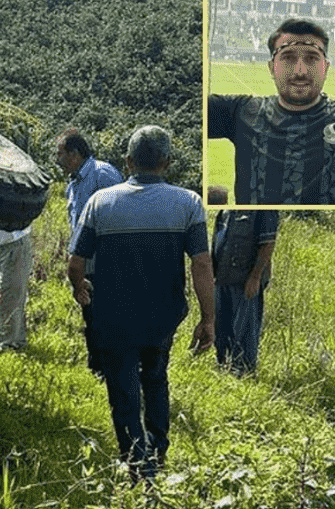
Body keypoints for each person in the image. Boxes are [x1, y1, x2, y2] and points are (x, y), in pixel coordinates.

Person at [67, 125, 215, 483]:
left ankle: (137, 465)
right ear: (166, 162)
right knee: (155, 377)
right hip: (163, 316)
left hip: (113, 315)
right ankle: (158, 452)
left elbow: (75, 262)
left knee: (122, 387)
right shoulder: (188, 203)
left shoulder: (101, 202)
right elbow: (201, 264)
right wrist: (209, 318)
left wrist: (79, 287)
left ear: (129, 161)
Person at [209, 18, 335, 204]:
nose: (300, 71)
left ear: (325, 67)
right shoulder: (242, 112)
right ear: (271, 67)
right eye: (288, 58)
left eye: (311, 58)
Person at [56, 129, 123, 374]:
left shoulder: (103, 175)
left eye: (60, 154)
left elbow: (120, 217)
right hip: (85, 264)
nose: (57, 159)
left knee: (107, 317)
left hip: (107, 263)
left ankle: (113, 368)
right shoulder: (73, 184)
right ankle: (97, 368)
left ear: (75, 154)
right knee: (91, 316)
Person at [212, 210, 278, 377]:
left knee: (244, 328)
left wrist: (255, 277)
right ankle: (224, 367)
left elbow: (268, 243)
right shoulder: (225, 209)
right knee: (221, 327)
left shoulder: (264, 208)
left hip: (245, 280)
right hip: (222, 276)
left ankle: (244, 373)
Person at [0, 227, 33, 351]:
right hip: (6, 245)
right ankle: (16, 342)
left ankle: (9, 344)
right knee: (12, 294)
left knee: (11, 294)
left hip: (15, 243)